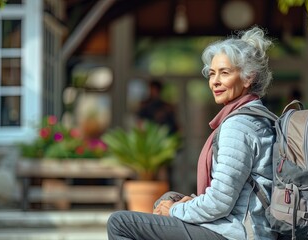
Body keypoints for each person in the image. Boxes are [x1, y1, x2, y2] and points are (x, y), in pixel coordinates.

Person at [107, 26, 277, 240]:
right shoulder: (260, 117)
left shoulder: (239, 125)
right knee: (169, 198)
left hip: (237, 233)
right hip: (243, 226)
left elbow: (220, 202)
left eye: (224, 73)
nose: (214, 81)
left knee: (120, 223)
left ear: (247, 78)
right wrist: (185, 202)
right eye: (212, 73)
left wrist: (174, 210)